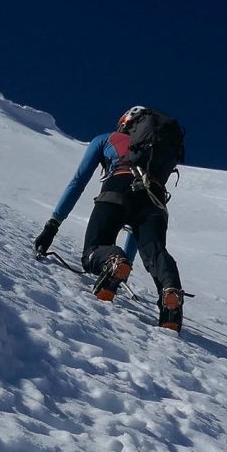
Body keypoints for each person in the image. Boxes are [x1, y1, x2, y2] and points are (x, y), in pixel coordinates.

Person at [34, 106, 185, 332]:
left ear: (126, 122)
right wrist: (127, 264)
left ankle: (111, 261)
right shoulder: (157, 151)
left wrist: (51, 227)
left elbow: (77, 182)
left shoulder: (106, 139)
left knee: (94, 249)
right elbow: (135, 229)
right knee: (156, 252)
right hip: (155, 200)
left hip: (118, 188)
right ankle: (170, 291)